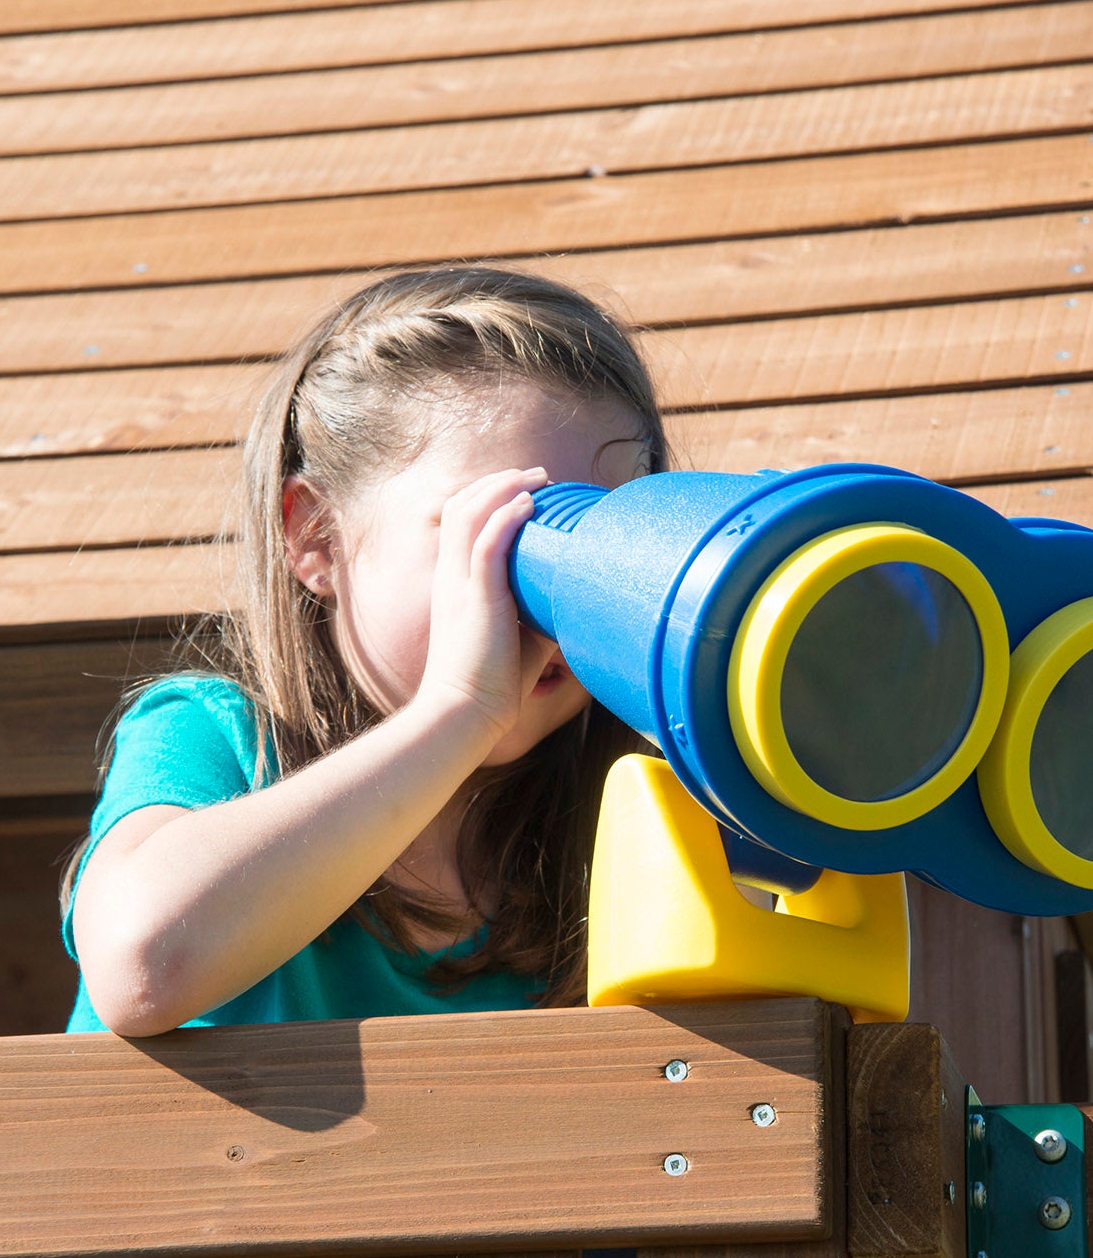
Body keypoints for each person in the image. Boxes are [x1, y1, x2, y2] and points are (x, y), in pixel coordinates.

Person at [62, 265, 671, 1035]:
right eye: (496, 536)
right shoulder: (218, 739)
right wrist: (461, 709)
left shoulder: (633, 800)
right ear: (317, 537)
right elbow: (144, 968)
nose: (549, 605)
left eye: (603, 534)